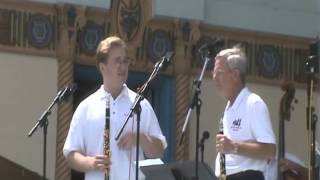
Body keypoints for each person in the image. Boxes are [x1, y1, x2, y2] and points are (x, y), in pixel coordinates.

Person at [63, 36, 167, 180]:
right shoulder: (86, 107)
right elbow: (71, 154)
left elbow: (159, 151)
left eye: (125, 61)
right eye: (117, 61)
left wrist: (140, 138)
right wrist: (91, 163)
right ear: (102, 67)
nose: (123, 66)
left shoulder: (140, 104)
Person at [212, 46, 276, 180]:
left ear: (235, 75)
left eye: (219, 72)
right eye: (214, 72)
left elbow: (270, 151)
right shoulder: (230, 107)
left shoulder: (253, 103)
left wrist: (233, 147)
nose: (214, 77)